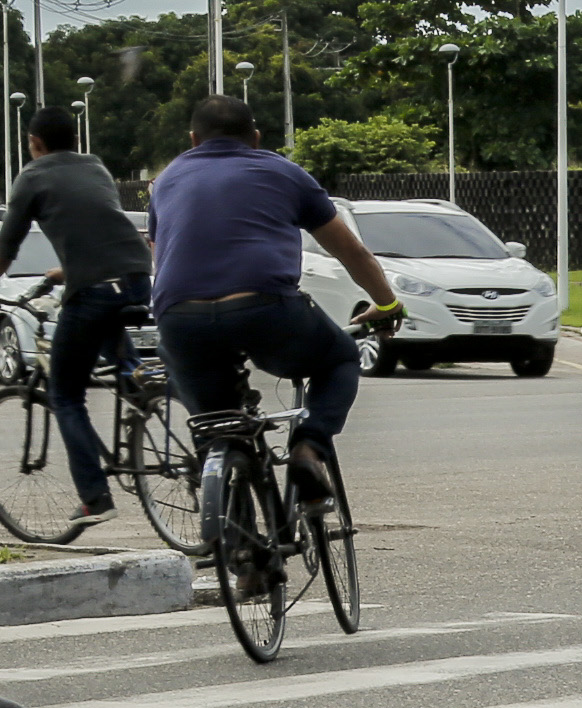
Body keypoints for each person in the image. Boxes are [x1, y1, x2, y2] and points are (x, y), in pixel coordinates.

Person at [143, 96, 398, 498]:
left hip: (180, 317)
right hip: (264, 309)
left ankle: (224, 504)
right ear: (256, 138)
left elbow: (161, 257)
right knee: (340, 358)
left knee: (216, 424)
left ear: (193, 140)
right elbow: (350, 251)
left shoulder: (166, 180)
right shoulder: (283, 171)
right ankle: (308, 448)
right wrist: (387, 304)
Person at [0, 104, 154, 525]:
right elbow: (99, 231)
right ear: (76, 139)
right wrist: (64, 271)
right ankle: (139, 383)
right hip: (137, 277)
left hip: (93, 290)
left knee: (65, 395)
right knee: (109, 334)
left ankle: (95, 497)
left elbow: (5, 251)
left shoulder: (32, 177)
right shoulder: (96, 165)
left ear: (35, 143)